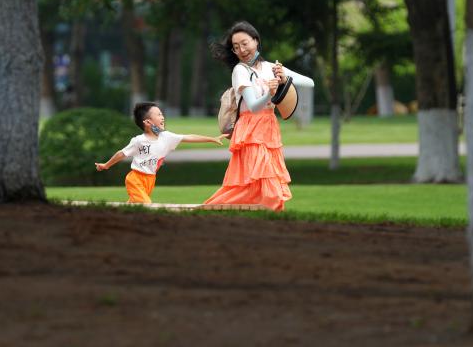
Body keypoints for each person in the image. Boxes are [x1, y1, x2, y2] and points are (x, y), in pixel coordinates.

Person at [204, 21, 314, 212]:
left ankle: (259, 222)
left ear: (256, 41)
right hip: (250, 130)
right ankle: (209, 212)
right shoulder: (240, 71)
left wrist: (284, 78)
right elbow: (254, 107)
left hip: (269, 128)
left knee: (256, 185)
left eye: (245, 43)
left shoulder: (271, 67)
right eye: (236, 47)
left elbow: (309, 83)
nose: (241, 49)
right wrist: (269, 93)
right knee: (263, 186)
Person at [95, 102, 225, 204]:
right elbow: (121, 154)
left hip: (151, 180)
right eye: (158, 114)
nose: (162, 117)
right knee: (146, 204)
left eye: (162, 114)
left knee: (135, 204)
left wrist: (212, 138)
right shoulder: (138, 141)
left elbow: (188, 137)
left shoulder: (166, 137)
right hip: (135, 179)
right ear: (147, 122)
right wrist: (106, 165)